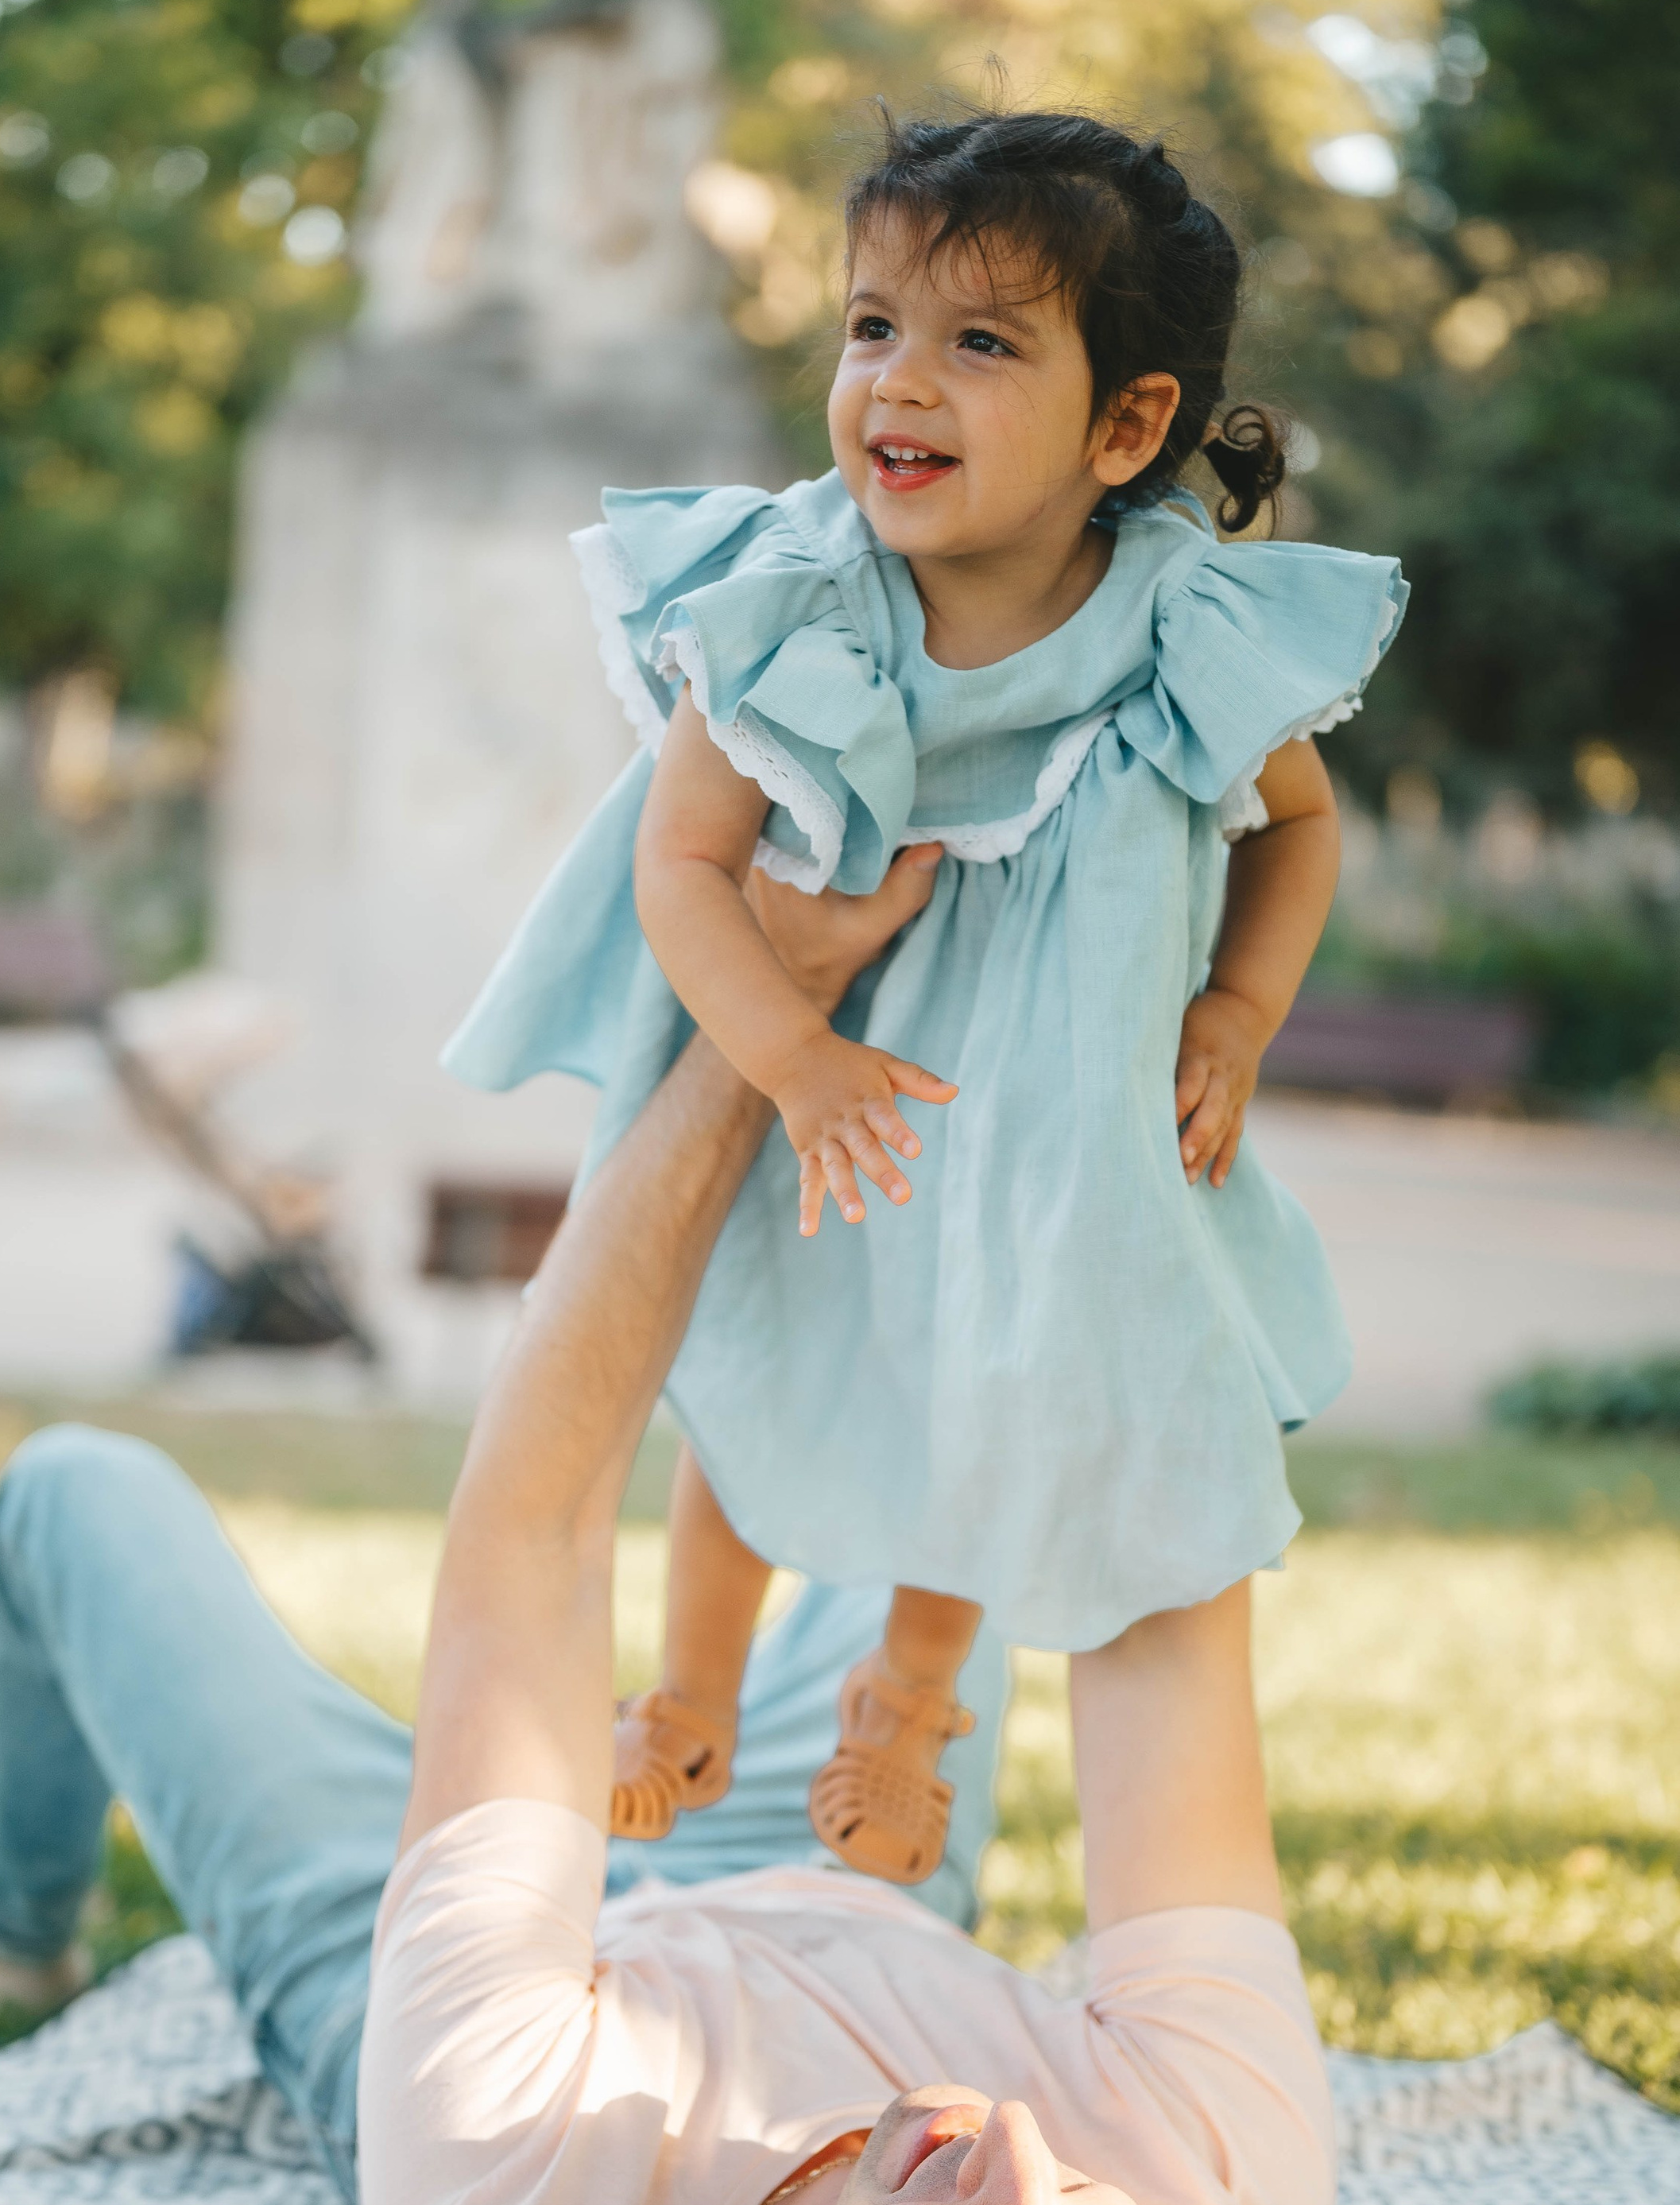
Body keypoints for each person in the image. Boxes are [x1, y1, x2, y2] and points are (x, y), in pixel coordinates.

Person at [0, 855, 1334, 2205]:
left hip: (452, 1979)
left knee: (72, 1495)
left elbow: (534, 1518)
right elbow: (1160, 1587)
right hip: (813, 1879)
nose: (1007, 2153)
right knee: (940, 1492)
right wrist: (1097, 1070)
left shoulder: (502, 2196)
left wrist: (746, 1019)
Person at [445, 107, 1406, 1892]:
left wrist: (1236, 1015)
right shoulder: (796, 598)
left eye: (979, 342)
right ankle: (688, 1695)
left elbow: (1295, 829)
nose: (898, 380)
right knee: (758, 1351)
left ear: (1126, 426)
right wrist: (795, 1058)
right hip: (800, 1056)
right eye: (872, 324)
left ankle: (907, 1701)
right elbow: (680, 866)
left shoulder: (1172, 624)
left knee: (993, 1374)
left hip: (1026, 1104)